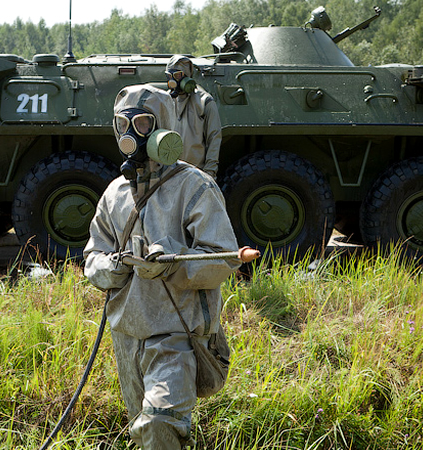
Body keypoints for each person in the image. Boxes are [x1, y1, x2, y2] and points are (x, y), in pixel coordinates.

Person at [83, 84, 240, 449]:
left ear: (163, 128)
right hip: (127, 334)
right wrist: (114, 266)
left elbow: (223, 258)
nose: (130, 134)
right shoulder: (114, 194)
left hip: (177, 335)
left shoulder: (194, 187)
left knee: (159, 424)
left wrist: (169, 261)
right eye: (122, 124)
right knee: (144, 432)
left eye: (141, 123)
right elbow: (92, 257)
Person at [165, 55, 222, 178]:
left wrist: (210, 173)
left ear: (187, 76)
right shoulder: (165, 101)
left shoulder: (204, 101)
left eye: (177, 76)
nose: (173, 80)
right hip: (169, 173)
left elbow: (214, 139)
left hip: (196, 174)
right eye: (169, 76)